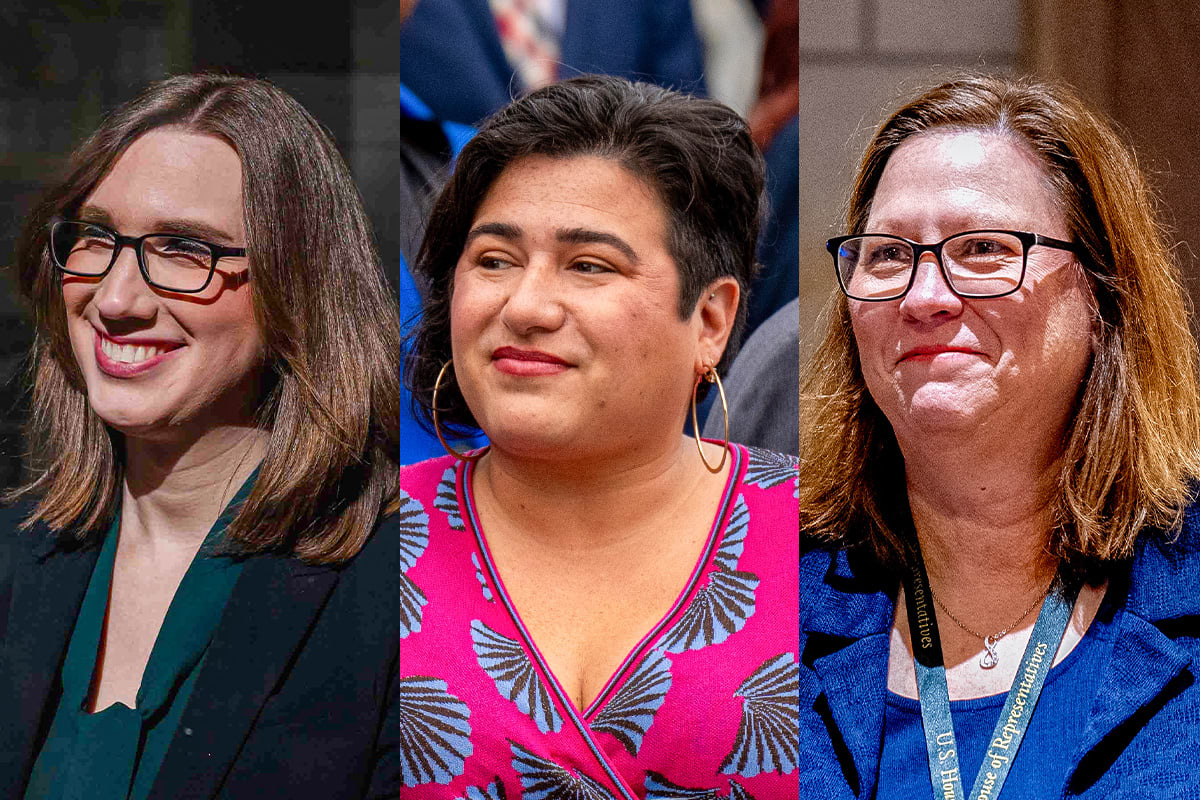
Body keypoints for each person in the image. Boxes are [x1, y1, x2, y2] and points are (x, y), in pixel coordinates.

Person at [797, 73, 1200, 798]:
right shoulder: (764, 593)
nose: (924, 297)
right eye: (887, 255)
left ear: (1103, 292)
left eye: (983, 249)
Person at [0, 74, 402, 799]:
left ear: (299, 290)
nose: (116, 299)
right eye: (95, 237)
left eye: (185, 249)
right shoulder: (18, 553)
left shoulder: (392, 596)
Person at [398, 75, 799, 797]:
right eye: (494, 260)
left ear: (710, 320)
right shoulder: (361, 540)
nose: (525, 307)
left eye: (590, 266)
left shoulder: (826, 543)